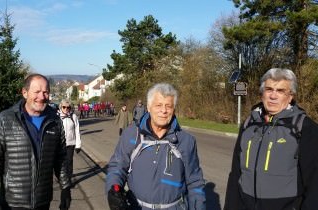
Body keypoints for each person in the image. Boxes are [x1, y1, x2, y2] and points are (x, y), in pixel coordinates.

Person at [224, 68, 318, 210]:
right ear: (262, 93)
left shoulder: (305, 127)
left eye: (280, 91)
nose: (273, 96)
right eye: (269, 89)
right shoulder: (249, 124)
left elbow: (314, 184)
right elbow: (235, 173)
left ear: (290, 96)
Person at [106, 83, 206, 210]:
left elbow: (195, 182)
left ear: (174, 109)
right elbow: (117, 167)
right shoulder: (131, 135)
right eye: (158, 105)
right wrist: (113, 189)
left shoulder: (186, 141)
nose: (163, 111)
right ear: (148, 107)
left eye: (168, 106)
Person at [0, 74, 71, 210]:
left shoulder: (55, 122)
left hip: (42, 201)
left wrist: (65, 188)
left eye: (45, 92)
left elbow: (61, 158)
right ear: (25, 93)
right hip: (12, 202)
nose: (42, 97)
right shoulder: (5, 120)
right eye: (36, 92)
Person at [58, 99, 82, 183]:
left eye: (68, 107)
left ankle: (68, 179)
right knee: (60, 162)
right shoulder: (57, 116)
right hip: (59, 144)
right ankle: (61, 177)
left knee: (69, 161)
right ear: (61, 107)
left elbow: (77, 131)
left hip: (71, 143)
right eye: (64, 107)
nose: (66, 109)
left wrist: (78, 145)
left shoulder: (73, 116)